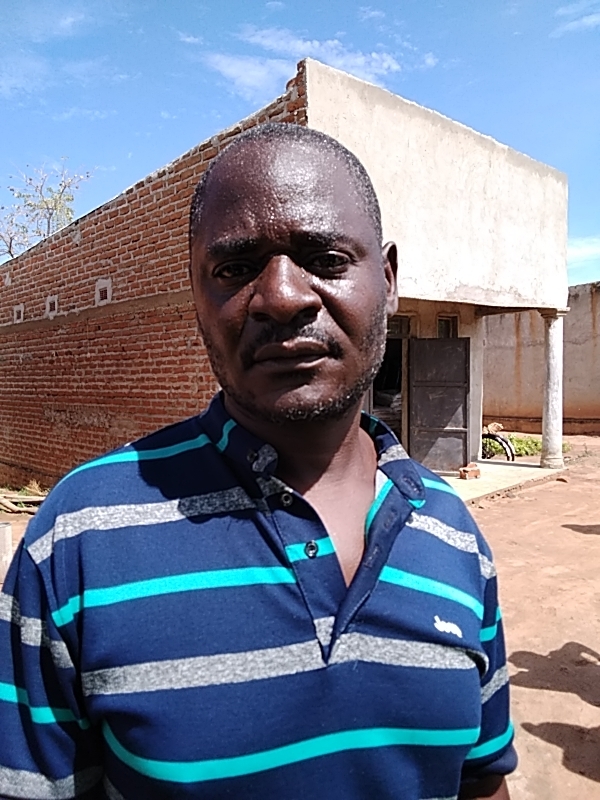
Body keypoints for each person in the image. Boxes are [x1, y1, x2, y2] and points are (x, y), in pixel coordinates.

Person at [0, 123, 516, 799]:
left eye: (325, 258)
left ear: (388, 281)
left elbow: (482, 781)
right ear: (196, 295)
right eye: (236, 269)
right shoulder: (79, 537)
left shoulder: (452, 531)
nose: (282, 297)